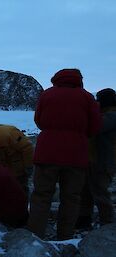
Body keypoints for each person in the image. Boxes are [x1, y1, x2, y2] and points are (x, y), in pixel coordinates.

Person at [27, 68, 102, 240]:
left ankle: (34, 236)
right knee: (71, 197)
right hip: (76, 155)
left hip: (47, 153)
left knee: (41, 195)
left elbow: (38, 120)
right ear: (79, 80)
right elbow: (95, 127)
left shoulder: (47, 95)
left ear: (57, 79)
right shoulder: (86, 97)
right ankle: (65, 236)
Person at [77, 88, 116, 228]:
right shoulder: (106, 114)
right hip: (94, 159)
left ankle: (107, 223)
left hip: (104, 161)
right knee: (86, 190)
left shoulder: (112, 116)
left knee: (100, 192)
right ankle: (84, 218)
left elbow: (96, 127)